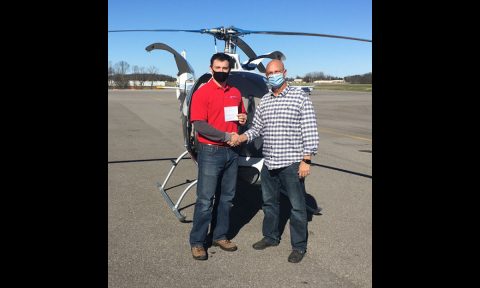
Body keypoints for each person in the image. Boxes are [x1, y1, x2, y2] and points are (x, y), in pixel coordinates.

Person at [233, 59, 319, 263]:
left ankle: (299, 246)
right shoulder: (266, 101)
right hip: (269, 162)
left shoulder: (300, 98)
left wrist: (306, 159)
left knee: (297, 208)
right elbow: (256, 129)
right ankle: (271, 237)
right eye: (269, 74)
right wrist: (241, 136)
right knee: (269, 203)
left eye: (276, 72)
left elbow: (310, 130)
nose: (272, 76)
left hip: (291, 163)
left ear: (285, 72)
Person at [188, 52, 247, 260]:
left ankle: (220, 235)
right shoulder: (202, 93)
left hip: (232, 150)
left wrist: (242, 118)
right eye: (218, 68)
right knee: (205, 200)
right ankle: (197, 241)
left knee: (228, 198)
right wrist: (225, 135)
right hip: (211, 150)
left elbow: (241, 114)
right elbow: (199, 124)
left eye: (225, 68)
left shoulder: (236, 92)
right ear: (211, 68)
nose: (222, 71)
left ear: (229, 69)